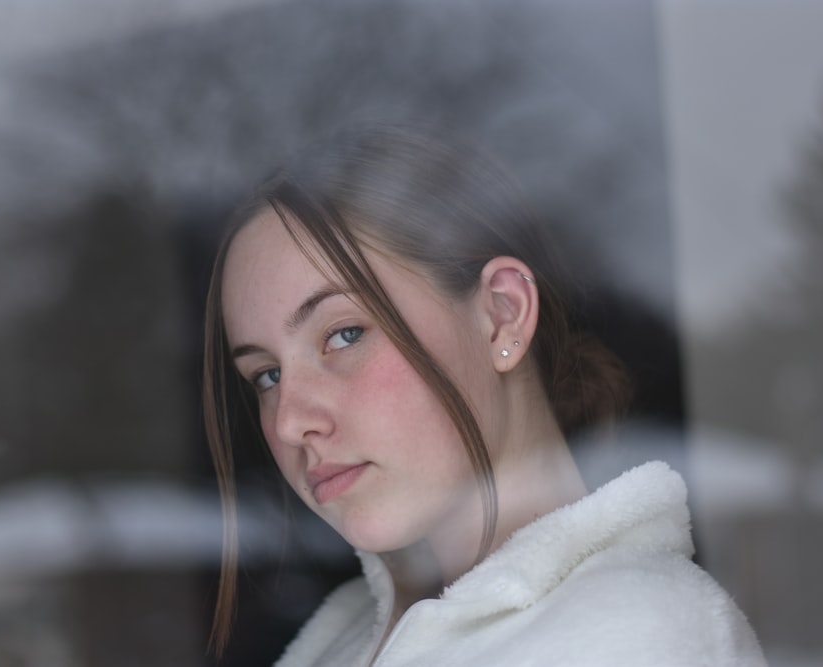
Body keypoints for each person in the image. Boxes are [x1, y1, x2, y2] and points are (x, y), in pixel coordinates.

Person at [202, 126, 766, 666]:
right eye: (267, 376)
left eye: (344, 334)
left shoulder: (638, 640)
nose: (288, 423)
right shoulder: (340, 640)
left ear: (502, 315)